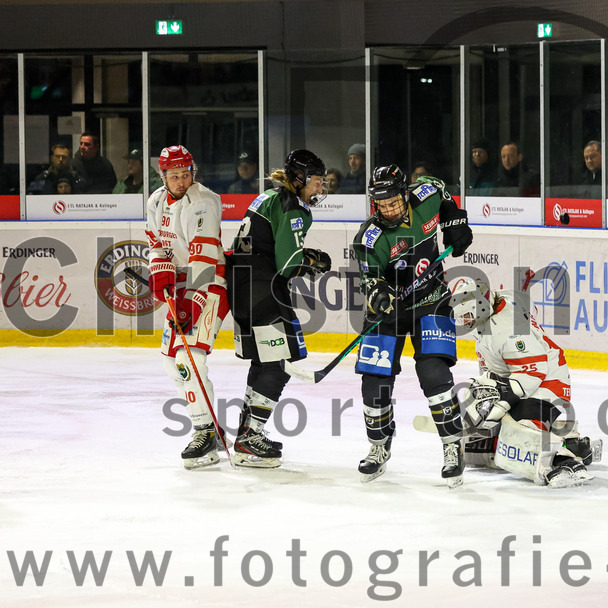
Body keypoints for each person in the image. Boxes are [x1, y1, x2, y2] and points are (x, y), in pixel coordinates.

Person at [351, 164, 474, 487]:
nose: (388, 210)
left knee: (433, 372)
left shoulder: (426, 194)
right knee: (375, 381)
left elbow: (443, 190)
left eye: (393, 202)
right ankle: (379, 445)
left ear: (405, 194)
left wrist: (454, 218)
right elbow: (370, 282)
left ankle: (451, 446)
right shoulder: (369, 238)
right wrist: (379, 294)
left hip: (432, 298)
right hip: (389, 313)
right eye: (381, 205)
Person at [227, 149, 332, 468]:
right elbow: (287, 264)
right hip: (262, 289)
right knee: (276, 364)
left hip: (241, 284)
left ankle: (247, 431)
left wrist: (304, 255)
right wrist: (310, 262)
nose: (319, 188)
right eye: (315, 181)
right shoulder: (294, 207)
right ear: (299, 179)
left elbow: (264, 244)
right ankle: (249, 437)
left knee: (263, 361)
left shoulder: (268, 196)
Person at [449, 278, 601, 488]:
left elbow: (534, 371)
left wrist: (502, 405)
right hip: (518, 378)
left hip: (547, 384)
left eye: (467, 315)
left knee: (517, 437)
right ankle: (568, 439)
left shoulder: (507, 328)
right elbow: (526, 304)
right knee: (477, 438)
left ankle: (565, 461)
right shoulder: (495, 308)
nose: (464, 321)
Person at [143, 146, 230, 470]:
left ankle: (204, 432)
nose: (181, 181)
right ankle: (210, 425)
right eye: (174, 175)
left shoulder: (203, 202)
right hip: (182, 284)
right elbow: (155, 243)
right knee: (170, 361)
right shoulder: (155, 202)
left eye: (185, 174)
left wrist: (191, 301)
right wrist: (159, 268)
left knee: (187, 358)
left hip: (210, 284)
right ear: (162, 176)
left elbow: (204, 258)